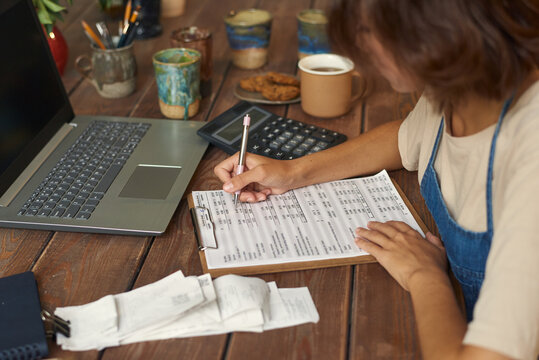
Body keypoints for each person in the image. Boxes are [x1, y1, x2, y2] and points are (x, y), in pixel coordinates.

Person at [214, 0, 539, 359]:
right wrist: (294, 172)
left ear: (435, 25)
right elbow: (406, 139)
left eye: (369, 30)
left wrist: (425, 276)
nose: (361, 44)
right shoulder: (458, 81)